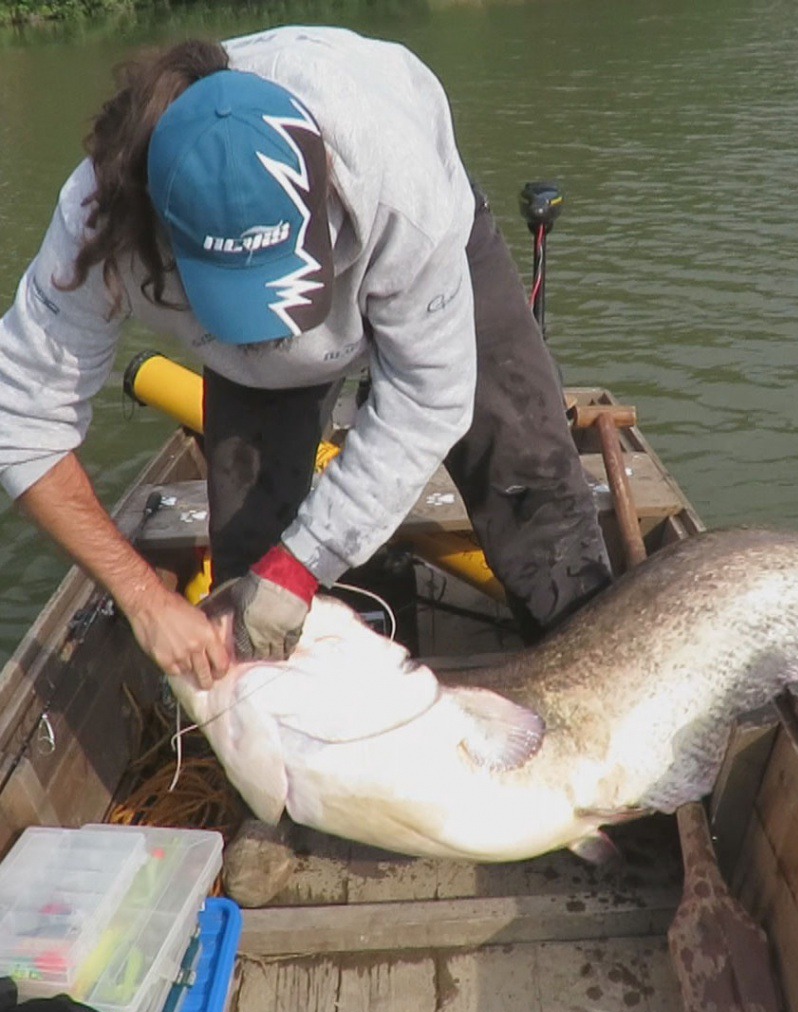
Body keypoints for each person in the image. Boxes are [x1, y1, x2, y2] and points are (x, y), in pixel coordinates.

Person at [0, 26, 614, 687]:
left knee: (532, 479)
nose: (285, 333)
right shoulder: (98, 220)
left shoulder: (400, 180)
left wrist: (300, 567)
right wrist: (144, 598)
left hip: (422, 241)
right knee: (250, 571)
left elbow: (428, 400)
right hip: (239, 351)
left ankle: (591, 688)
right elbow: (20, 420)